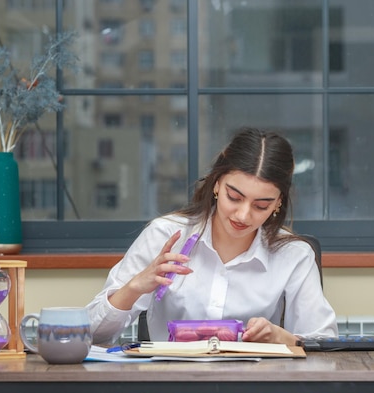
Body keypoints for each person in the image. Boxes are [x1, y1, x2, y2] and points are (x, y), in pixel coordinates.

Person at [86, 127, 338, 345]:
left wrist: (281, 337)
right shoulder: (165, 235)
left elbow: (325, 344)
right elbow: (92, 336)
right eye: (234, 197)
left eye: (261, 205)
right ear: (217, 183)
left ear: (278, 203)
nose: (243, 215)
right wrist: (134, 287)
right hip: (170, 381)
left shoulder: (294, 255)